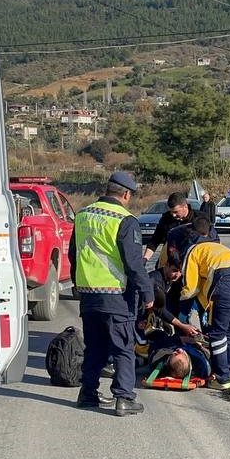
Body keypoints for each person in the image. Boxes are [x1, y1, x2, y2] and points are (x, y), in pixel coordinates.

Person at [68, 171, 153, 416]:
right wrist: (147, 293)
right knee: (123, 347)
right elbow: (134, 263)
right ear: (125, 194)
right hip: (116, 294)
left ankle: (87, 394)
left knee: (94, 347)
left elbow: (74, 254)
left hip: (88, 294)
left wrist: (77, 283)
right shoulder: (125, 220)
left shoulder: (82, 215)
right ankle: (124, 397)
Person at [171, 218, 230, 390]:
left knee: (217, 333)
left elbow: (191, 289)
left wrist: (182, 313)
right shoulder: (216, 246)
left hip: (227, 285)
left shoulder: (192, 251)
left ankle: (221, 378)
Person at [144, 192, 197, 261]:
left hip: (191, 262)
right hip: (169, 263)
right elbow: (155, 240)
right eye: (171, 212)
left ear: (185, 206)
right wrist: (145, 258)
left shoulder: (199, 219)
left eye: (176, 212)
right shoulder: (166, 218)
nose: (173, 215)